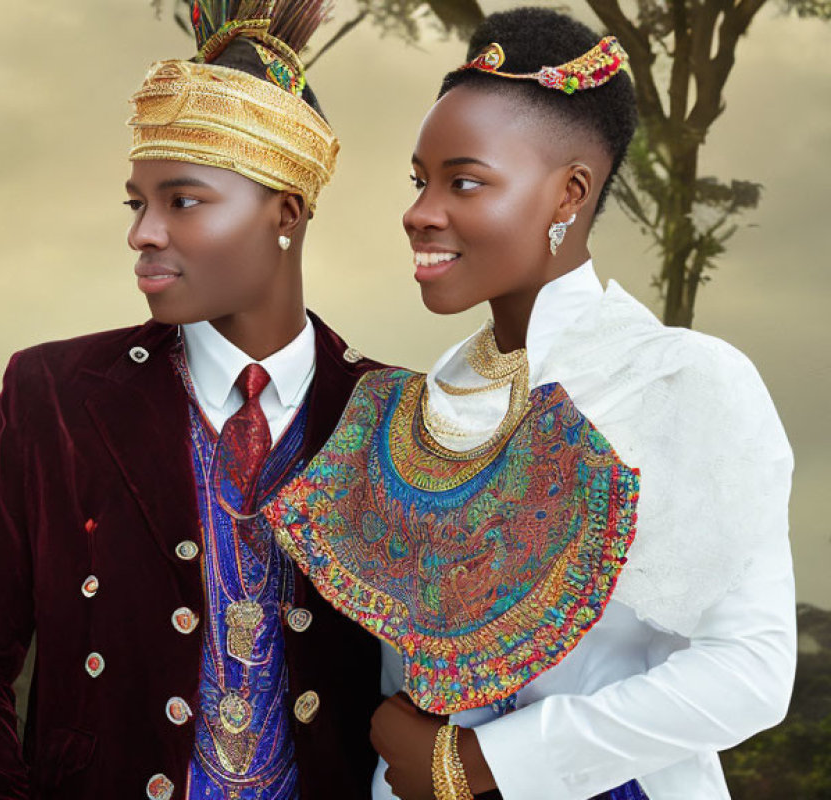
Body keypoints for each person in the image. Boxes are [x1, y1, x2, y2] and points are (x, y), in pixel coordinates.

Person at [264, 7, 795, 800]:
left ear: (568, 195)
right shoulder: (419, 404)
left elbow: (750, 671)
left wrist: (487, 763)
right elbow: (407, 699)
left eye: (464, 182)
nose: (419, 212)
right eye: (420, 180)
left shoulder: (682, 382)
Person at [0, 2, 383, 798]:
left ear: (287, 212)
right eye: (138, 202)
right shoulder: (52, 398)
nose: (142, 233)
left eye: (183, 200)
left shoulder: (395, 413)